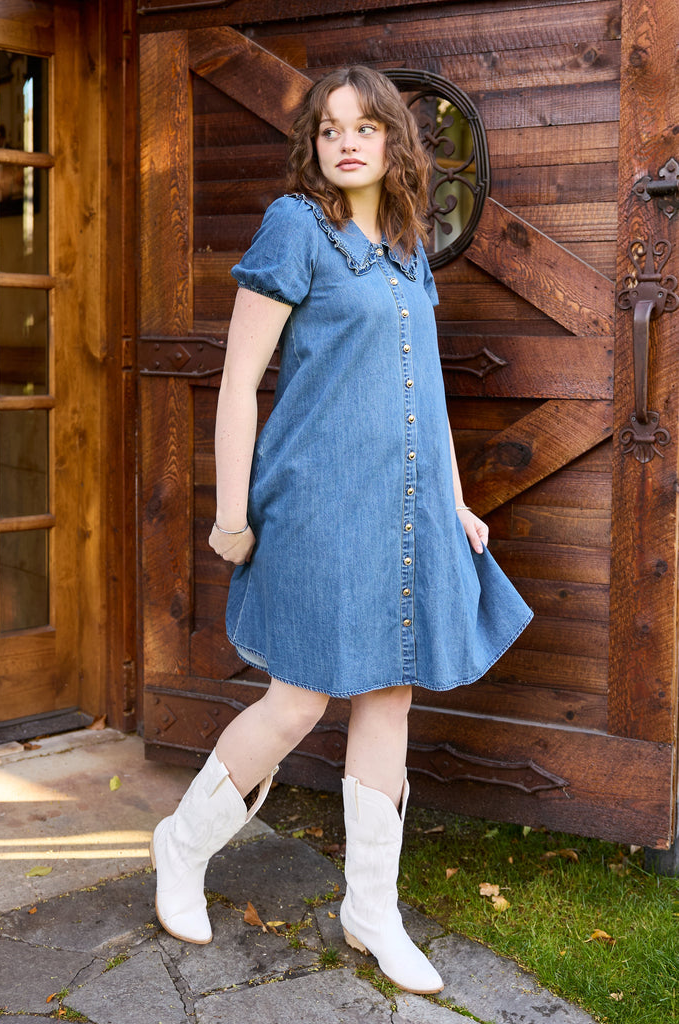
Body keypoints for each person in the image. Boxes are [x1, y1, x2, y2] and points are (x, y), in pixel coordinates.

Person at [151, 65, 532, 996]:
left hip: (402, 509)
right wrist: (232, 514)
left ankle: (370, 910)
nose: (346, 142)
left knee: (390, 698)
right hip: (316, 505)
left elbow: (424, 394)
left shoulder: (407, 245)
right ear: (314, 146)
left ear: (393, 143)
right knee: (297, 701)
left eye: (364, 127)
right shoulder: (295, 227)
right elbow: (239, 380)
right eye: (329, 130)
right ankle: (182, 843)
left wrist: (451, 501)